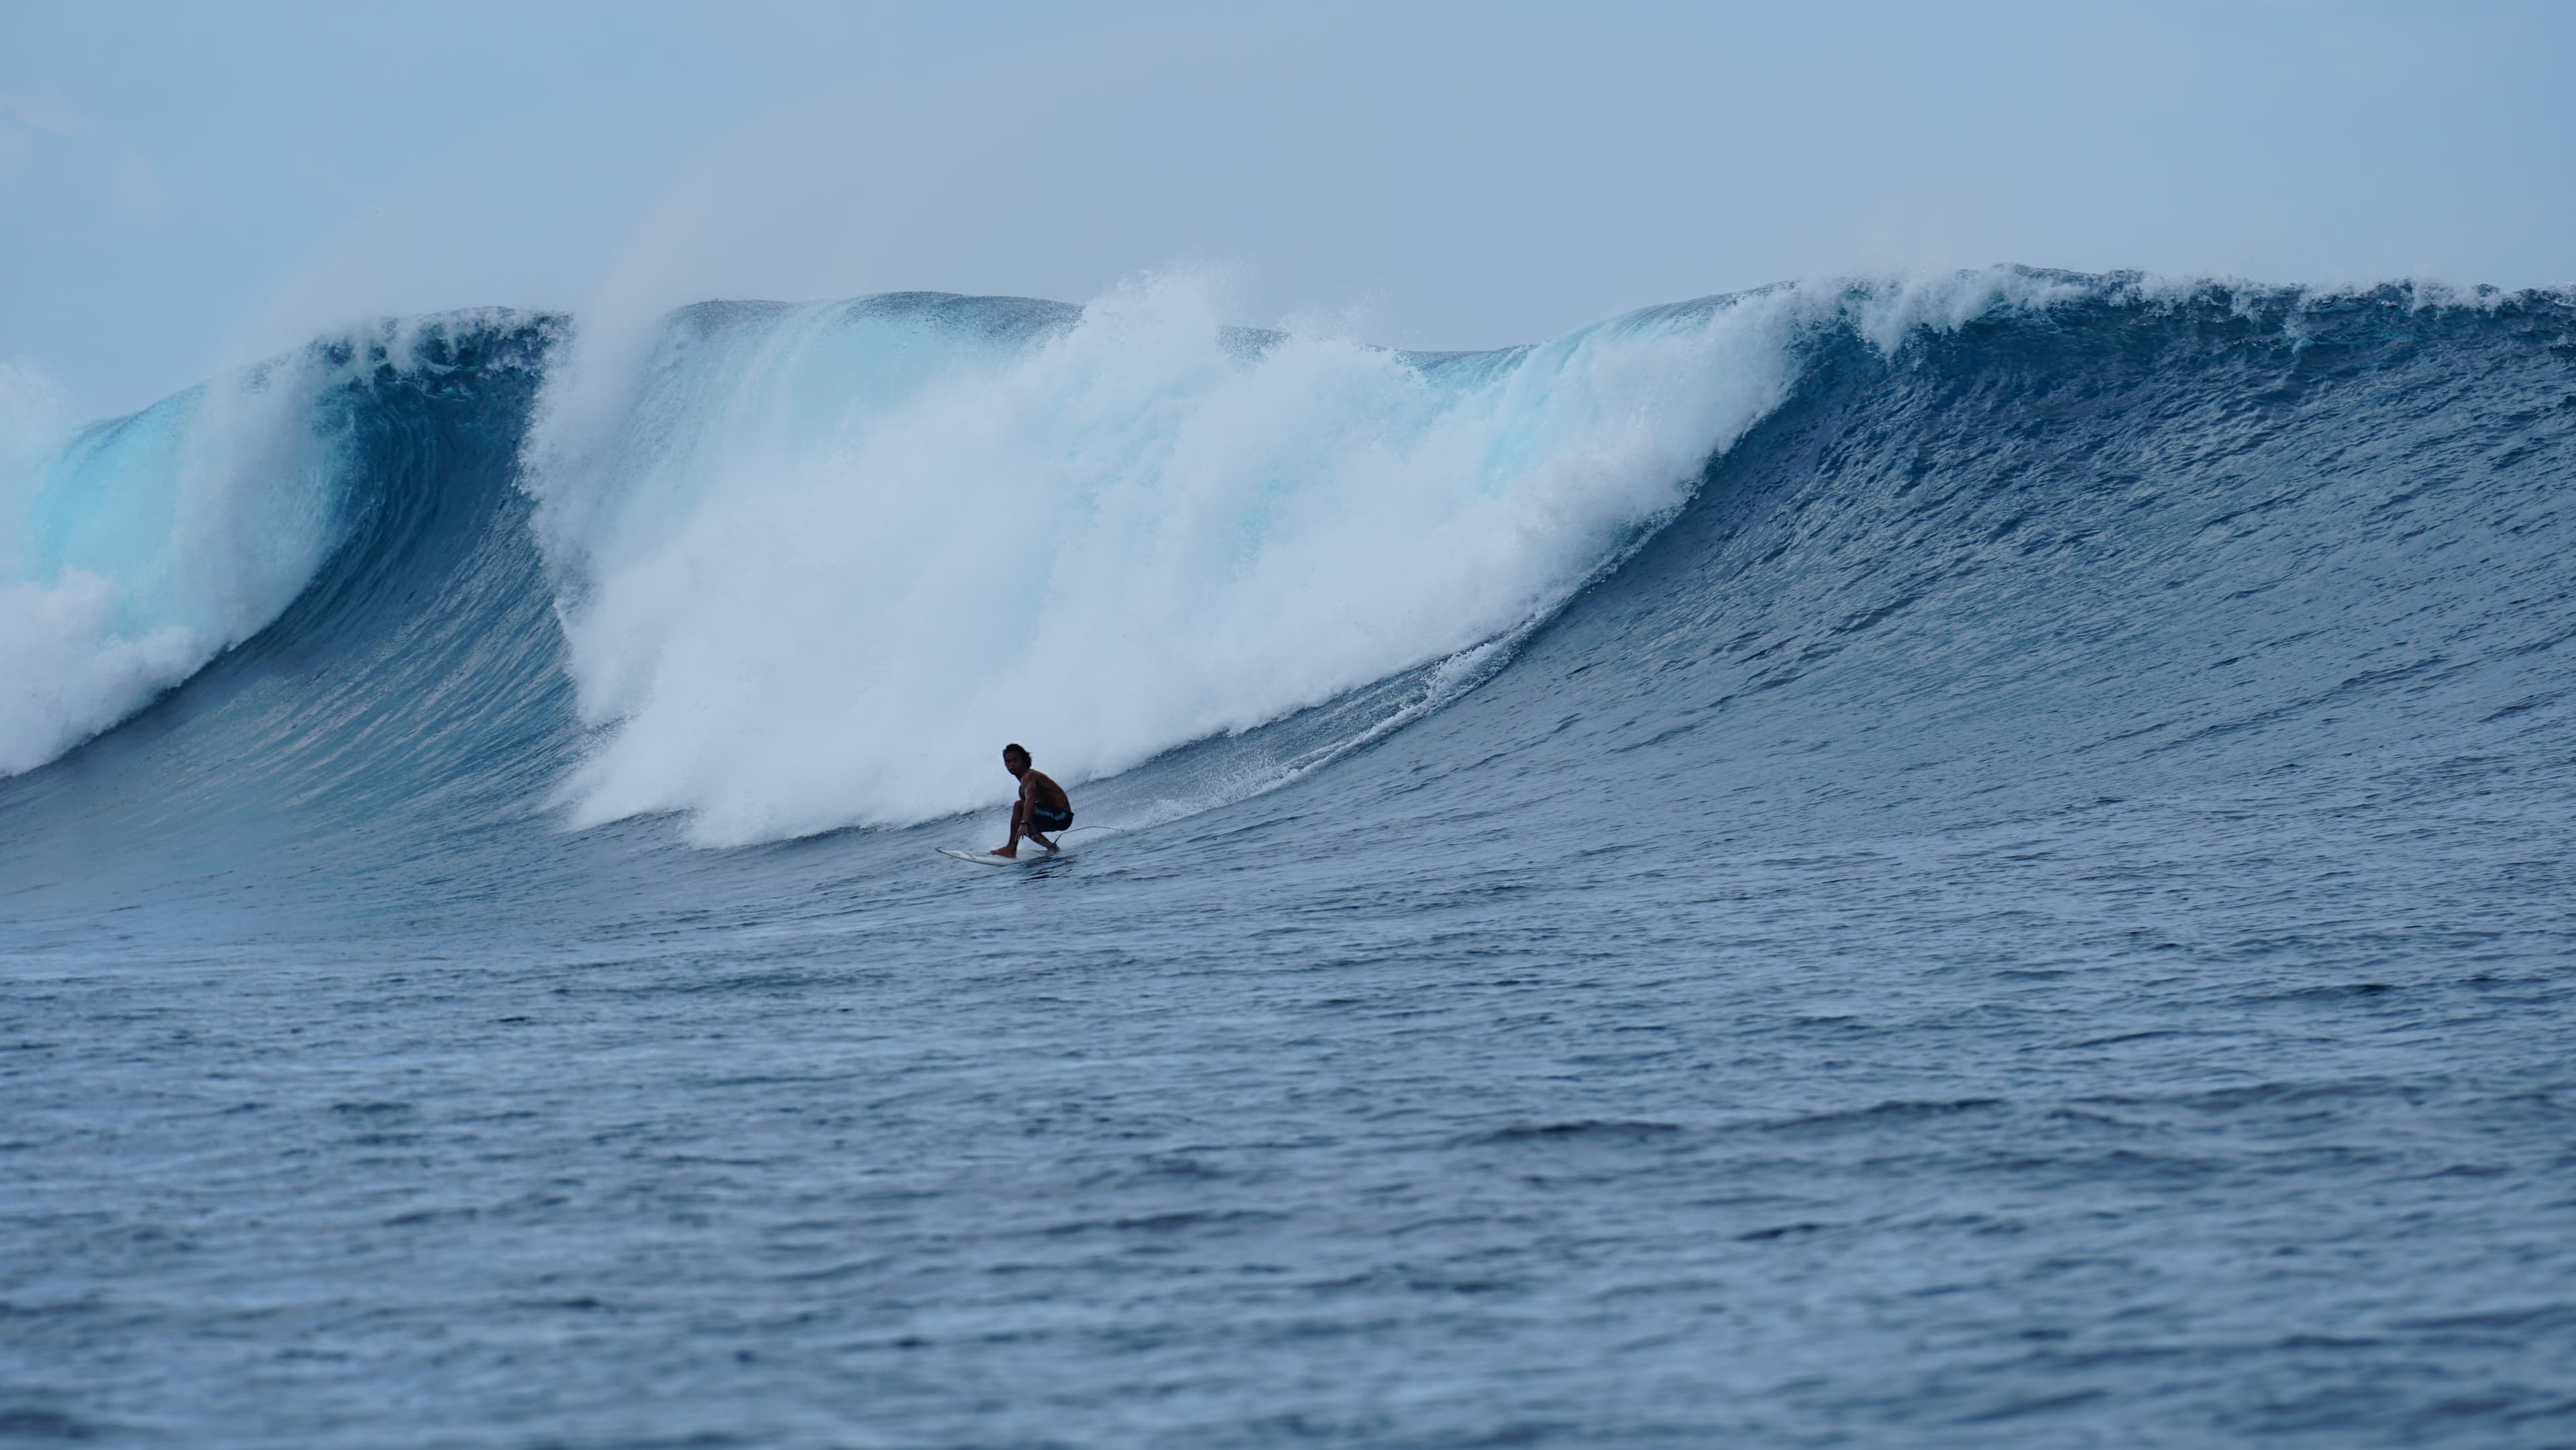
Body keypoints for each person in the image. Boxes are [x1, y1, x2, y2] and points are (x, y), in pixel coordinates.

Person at [991, 743, 1073, 858]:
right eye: (1008, 762)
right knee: (1024, 818)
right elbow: (1027, 810)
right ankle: (1051, 847)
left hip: (1063, 816)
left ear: (1024, 761)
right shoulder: (1021, 789)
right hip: (1057, 817)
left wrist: (1024, 822)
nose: (1012, 765)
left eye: (1015, 760)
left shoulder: (1029, 775)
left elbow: (1030, 799)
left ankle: (1011, 848)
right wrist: (1024, 823)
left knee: (1020, 808)